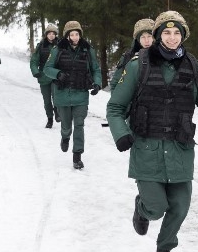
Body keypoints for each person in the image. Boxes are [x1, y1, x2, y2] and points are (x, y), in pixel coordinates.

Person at [105, 10, 198, 252]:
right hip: (147, 148)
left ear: (183, 36)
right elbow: (115, 107)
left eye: (177, 33)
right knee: (156, 207)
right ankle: (142, 209)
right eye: (167, 33)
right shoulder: (138, 66)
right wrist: (120, 133)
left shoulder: (196, 68)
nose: (172, 38)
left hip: (180, 148)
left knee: (180, 206)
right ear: (158, 35)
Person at [41, 20, 102, 170]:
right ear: (67, 36)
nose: (75, 37)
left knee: (79, 125)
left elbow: (95, 69)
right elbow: (47, 69)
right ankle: (65, 136)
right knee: (67, 125)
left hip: (81, 94)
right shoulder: (57, 49)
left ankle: (77, 156)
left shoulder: (88, 50)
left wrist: (97, 83)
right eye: (72, 34)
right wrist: (58, 73)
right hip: (62, 95)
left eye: (77, 34)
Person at [109, 18, 155, 90]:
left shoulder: (163, 54)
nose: (146, 40)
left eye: (149, 36)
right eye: (143, 37)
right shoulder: (128, 56)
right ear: (138, 39)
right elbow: (115, 83)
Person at [30, 23, 61, 128]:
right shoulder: (41, 46)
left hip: (55, 75)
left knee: (56, 96)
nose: (51, 35)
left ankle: (57, 112)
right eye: (49, 33)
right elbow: (34, 61)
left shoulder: (60, 46)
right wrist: (35, 72)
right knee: (47, 101)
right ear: (46, 34)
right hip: (43, 76)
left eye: (53, 33)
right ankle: (50, 119)